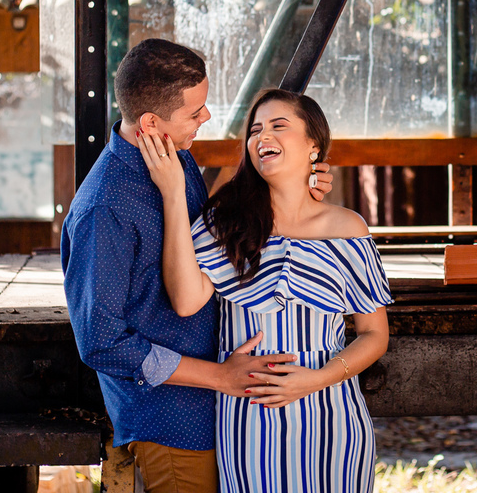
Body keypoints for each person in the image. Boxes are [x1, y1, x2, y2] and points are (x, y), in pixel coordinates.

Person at [61, 40, 333, 493]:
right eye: (196, 111)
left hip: (216, 409)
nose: (205, 118)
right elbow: (100, 341)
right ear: (150, 123)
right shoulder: (102, 209)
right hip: (169, 424)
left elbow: (212, 234)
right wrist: (219, 377)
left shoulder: (173, 155)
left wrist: (296, 187)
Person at [137, 88, 392, 493]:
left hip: (333, 413)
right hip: (249, 410)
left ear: (313, 145)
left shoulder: (348, 228)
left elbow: (375, 333)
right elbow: (186, 301)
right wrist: (171, 194)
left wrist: (315, 379)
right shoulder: (225, 222)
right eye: (255, 130)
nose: (262, 136)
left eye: (278, 125)